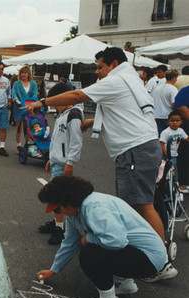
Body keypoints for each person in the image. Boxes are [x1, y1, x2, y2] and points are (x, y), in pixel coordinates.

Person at [25, 47, 177, 281]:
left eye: (99, 67)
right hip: (141, 148)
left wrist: (41, 103)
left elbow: (77, 96)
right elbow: (125, 113)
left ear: (113, 64)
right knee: (134, 207)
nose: (98, 72)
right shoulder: (131, 79)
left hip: (134, 150)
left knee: (141, 206)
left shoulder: (117, 79)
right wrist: (92, 122)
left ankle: (159, 263)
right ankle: (141, 262)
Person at [36, 176, 168, 298]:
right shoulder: (75, 213)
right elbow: (69, 243)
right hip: (136, 252)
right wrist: (54, 270)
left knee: (90, 254)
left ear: (68, 199)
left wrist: (89, 238)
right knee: (93, 246)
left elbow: (117, 241)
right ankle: (124, 284)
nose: (59, 212)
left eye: (58, 208)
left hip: (149, 258)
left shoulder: (94, 206)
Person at [38, 82, 83, 245]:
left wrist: (70, 163)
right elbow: (57, 140)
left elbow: (76, 142)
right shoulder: (61, 116)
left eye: (55, 102)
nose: (53, 106)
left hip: (64, 163)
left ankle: (60, 228)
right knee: (56, 195)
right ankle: (58, 223)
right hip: (57, 161)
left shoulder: (74, 114)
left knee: (57, 197)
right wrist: (51, 158)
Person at [12, 66, 38, 149]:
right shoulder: (16, 83)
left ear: (28, 74)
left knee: (29, 126)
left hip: (29, 107)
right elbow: (14, 94)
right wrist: (17, 100)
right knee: (19, 127)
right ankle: (18, 145)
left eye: (25, 73)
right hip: (19, 106)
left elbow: (34, 94)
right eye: (22, 73)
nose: (23, 74)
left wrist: (31, 103)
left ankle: (27, 143)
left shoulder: (33, 83)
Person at [152, 69, 179, 135]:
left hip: (156, 115)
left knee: (160, 136)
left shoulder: (157, 88)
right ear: (174, 78)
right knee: (168, 137)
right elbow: (174, 103)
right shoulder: (173, 89)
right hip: (167, 116)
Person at [175, 84, 189, 193]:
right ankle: (183, 184)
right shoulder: (185, 91)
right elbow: (180, 106)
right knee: (185, 155)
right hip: (186, 128)